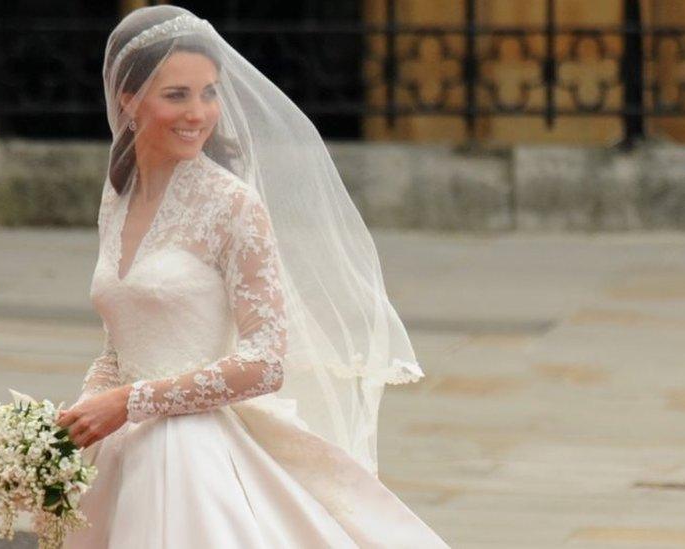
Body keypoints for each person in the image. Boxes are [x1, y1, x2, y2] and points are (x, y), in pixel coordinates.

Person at [55, 5, 449, 547]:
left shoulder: (232, 204)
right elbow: (120, 342)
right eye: (177, 94)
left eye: (209, 92)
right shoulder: (117, 196)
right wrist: (80, 414)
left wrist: (128, 403)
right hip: (121, 448)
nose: (199, 112)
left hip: (194, 453)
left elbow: (265, 364)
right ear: (128, 98)